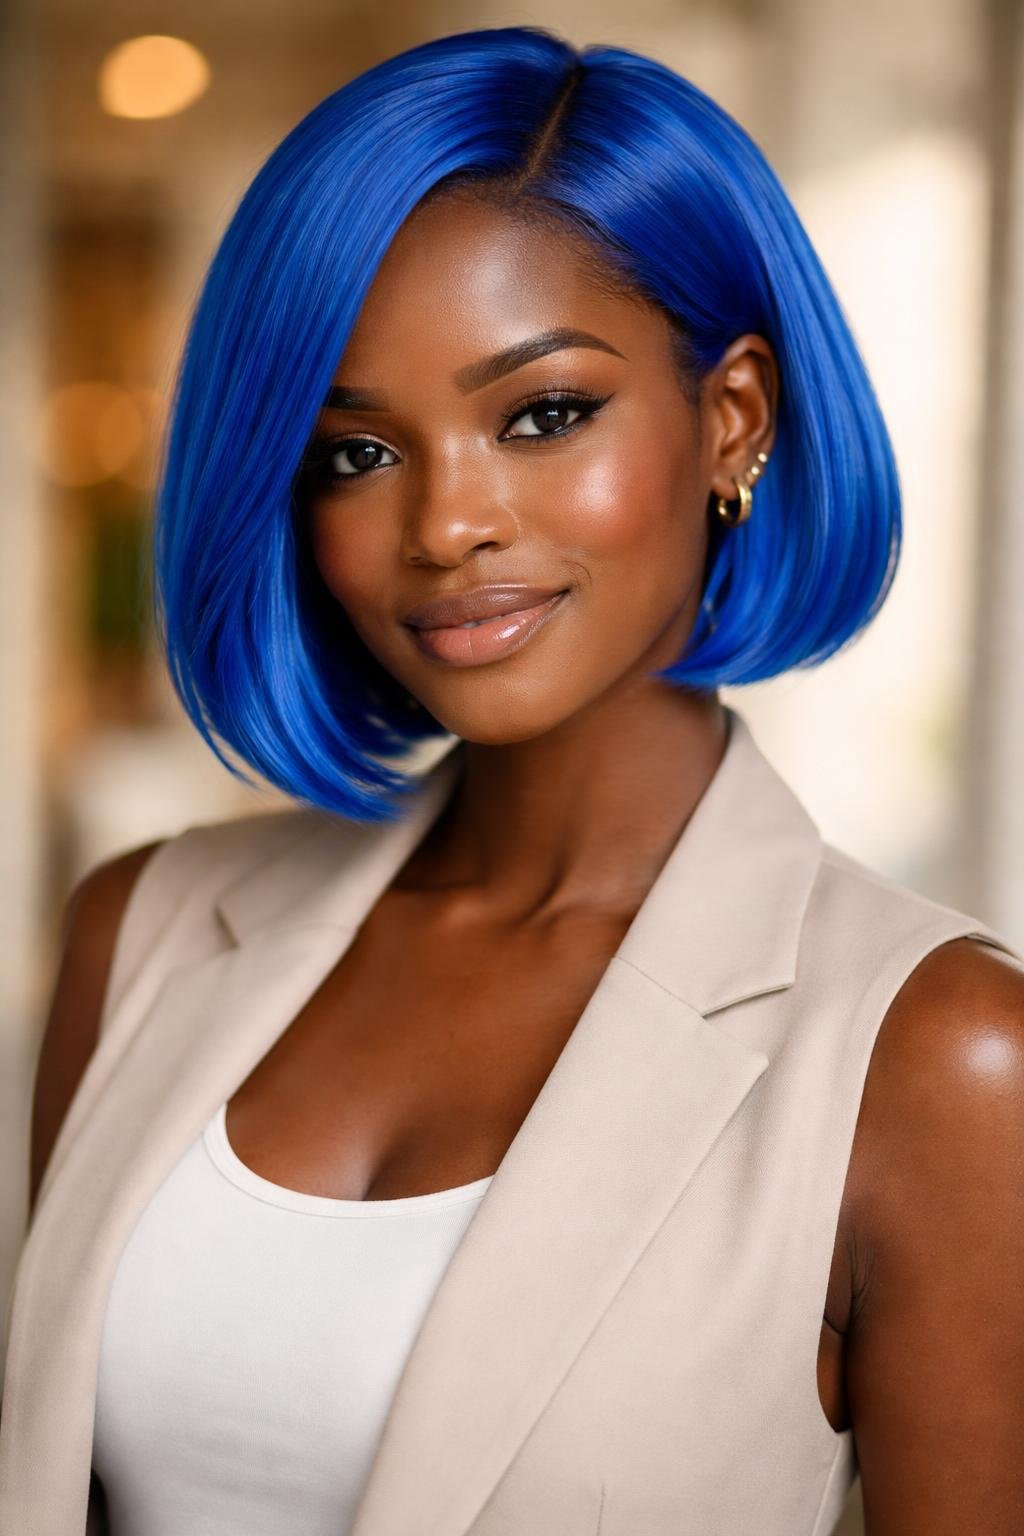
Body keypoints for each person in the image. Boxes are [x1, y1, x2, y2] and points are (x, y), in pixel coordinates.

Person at [3, 24, 1022, 1536]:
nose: (446, 527)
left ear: (732, 416)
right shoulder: (141, 937)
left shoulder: (938, 1059)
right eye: (355, 452)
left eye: (543, 415)